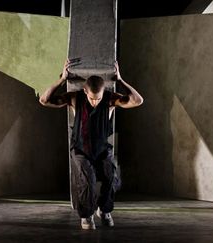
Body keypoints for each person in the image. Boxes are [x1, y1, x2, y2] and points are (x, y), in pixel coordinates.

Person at [39, 59, 143, 229]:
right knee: (88, 181)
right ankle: (86, 216)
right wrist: (62, 79)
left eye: (98, 98)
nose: (95, 102)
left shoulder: (110, 100)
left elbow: (138, 101)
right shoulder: (75, 98)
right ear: (85, 91)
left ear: (104, 93)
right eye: (92, 98)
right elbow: (44, 100)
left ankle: (104, 210)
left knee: (111, 177)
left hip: (102, 149)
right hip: (80, 149)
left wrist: (120, 80)